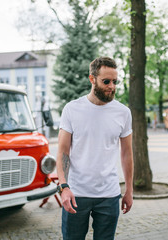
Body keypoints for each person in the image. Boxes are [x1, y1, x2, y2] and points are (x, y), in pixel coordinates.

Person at [56, 56, 134, 240]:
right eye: (106, 81)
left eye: (115, 81)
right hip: (76, 194)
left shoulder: (123, 113)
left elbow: (127, 153)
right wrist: (63, 187)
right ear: (92, 79)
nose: (112, 86)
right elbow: (63, 151)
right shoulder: (71, 109)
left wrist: (129, 190)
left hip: (109, 195)